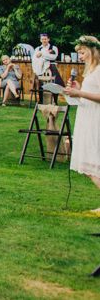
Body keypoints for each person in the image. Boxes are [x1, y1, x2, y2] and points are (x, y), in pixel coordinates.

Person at [64, 35, 100, 211]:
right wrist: (77, 89)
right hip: (86, 116)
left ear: (92, 51)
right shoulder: (91, 72)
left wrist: (80, 94)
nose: (81, 56)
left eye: (83, 52)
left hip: (95, 119)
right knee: (88, 164)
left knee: (91, 163)